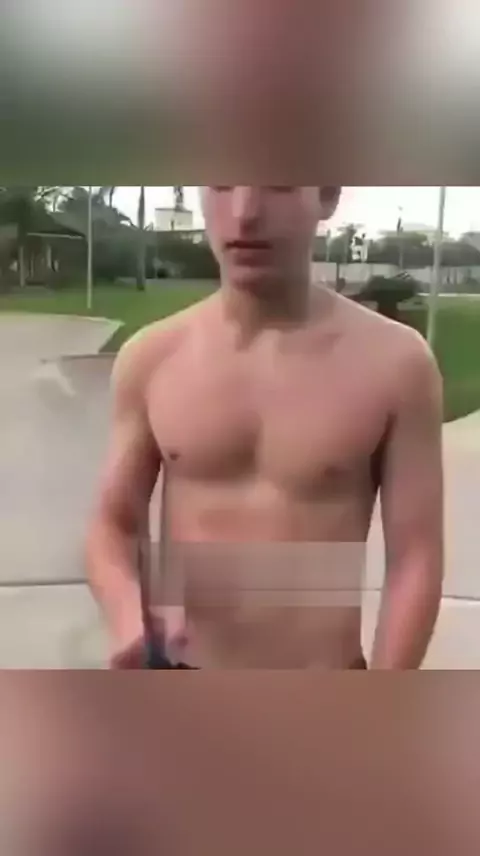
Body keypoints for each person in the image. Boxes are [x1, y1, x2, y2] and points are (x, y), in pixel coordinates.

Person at [86, 186, 444, 669]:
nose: (245, 213)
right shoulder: (152, 358)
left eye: (277, 184)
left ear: (327, 195)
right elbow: (112, 524)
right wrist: (128, 618)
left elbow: (415, 556)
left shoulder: (396, 363)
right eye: (222, 184)